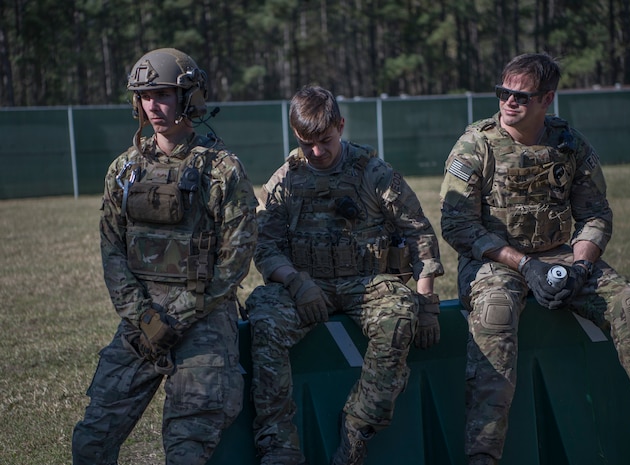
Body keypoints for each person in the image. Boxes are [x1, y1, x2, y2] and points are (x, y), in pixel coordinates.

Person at [439, 52, 630, 465]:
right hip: (494, 262)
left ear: (546, 99)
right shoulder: (476, 145)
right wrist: (525, 265)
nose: (508, 102)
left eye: (521, 96)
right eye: (503, 93)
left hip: (562, 256)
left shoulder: (568, 143)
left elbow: (595, 214)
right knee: (496, 315)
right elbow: (457, 225)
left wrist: (582, 265)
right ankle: (482, 456)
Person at [71, 48, 258, 465]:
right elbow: (112, 247)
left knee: (187, 446)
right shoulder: (124, 169)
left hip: (204, 316)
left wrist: (185, 310)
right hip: (143, 320)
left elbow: (237, 254)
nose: (152, 107)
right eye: (144, 97)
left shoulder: (222, 169)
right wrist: (142, 315)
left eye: (163, 95)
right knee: (91, 440)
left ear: (188, 97)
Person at [245, 85, 445, 465]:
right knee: (265, 318)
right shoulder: (285, 180)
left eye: (325, 140)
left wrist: (426, 298)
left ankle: (358, 425)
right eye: (307, 144)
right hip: (306, 286)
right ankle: (278, 443)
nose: (317, 152)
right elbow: (264, 245)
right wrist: (295, 282)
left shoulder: (373, 172)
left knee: (401, 314)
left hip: (365, 283)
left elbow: (418, 229)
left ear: (340, 125)